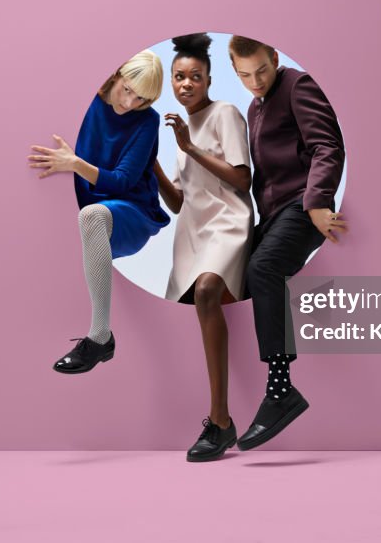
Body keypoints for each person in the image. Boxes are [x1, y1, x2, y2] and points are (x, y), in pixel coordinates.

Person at [229, 35, 347, 451]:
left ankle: (280, 389)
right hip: (274, 213)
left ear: (274, 58)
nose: (256, 80)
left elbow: (326, 145)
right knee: (233, 273)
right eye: (244, 75)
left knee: (264, 268)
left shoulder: (298, 85)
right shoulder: (254, 106)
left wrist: (317, 201)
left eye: (261, 70)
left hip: (302, 206)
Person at [28, 50, 169, 374]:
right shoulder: (85, 99)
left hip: (129, 210)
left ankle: (100, 337)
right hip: (86, 203)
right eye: (128, 90)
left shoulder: (148, 120)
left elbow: (122, 181)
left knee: (93, 215)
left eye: (142, 98)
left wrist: (74, 164)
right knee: (87, 216)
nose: (130, 102)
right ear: (117, 76)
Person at [153, 34, 254, 462]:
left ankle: (221, 421)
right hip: (191, 234)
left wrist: (189, 148)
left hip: (228, 226)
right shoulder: (179, 130)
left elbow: (242, 179)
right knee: (193, 302)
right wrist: (153, 164)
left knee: (209, 289)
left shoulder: (225, 114)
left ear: (210, 79)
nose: (187, 83)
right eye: (179, 77)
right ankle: (216, 419)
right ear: (171, 82)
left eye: (196, 76)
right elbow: (178, 203)